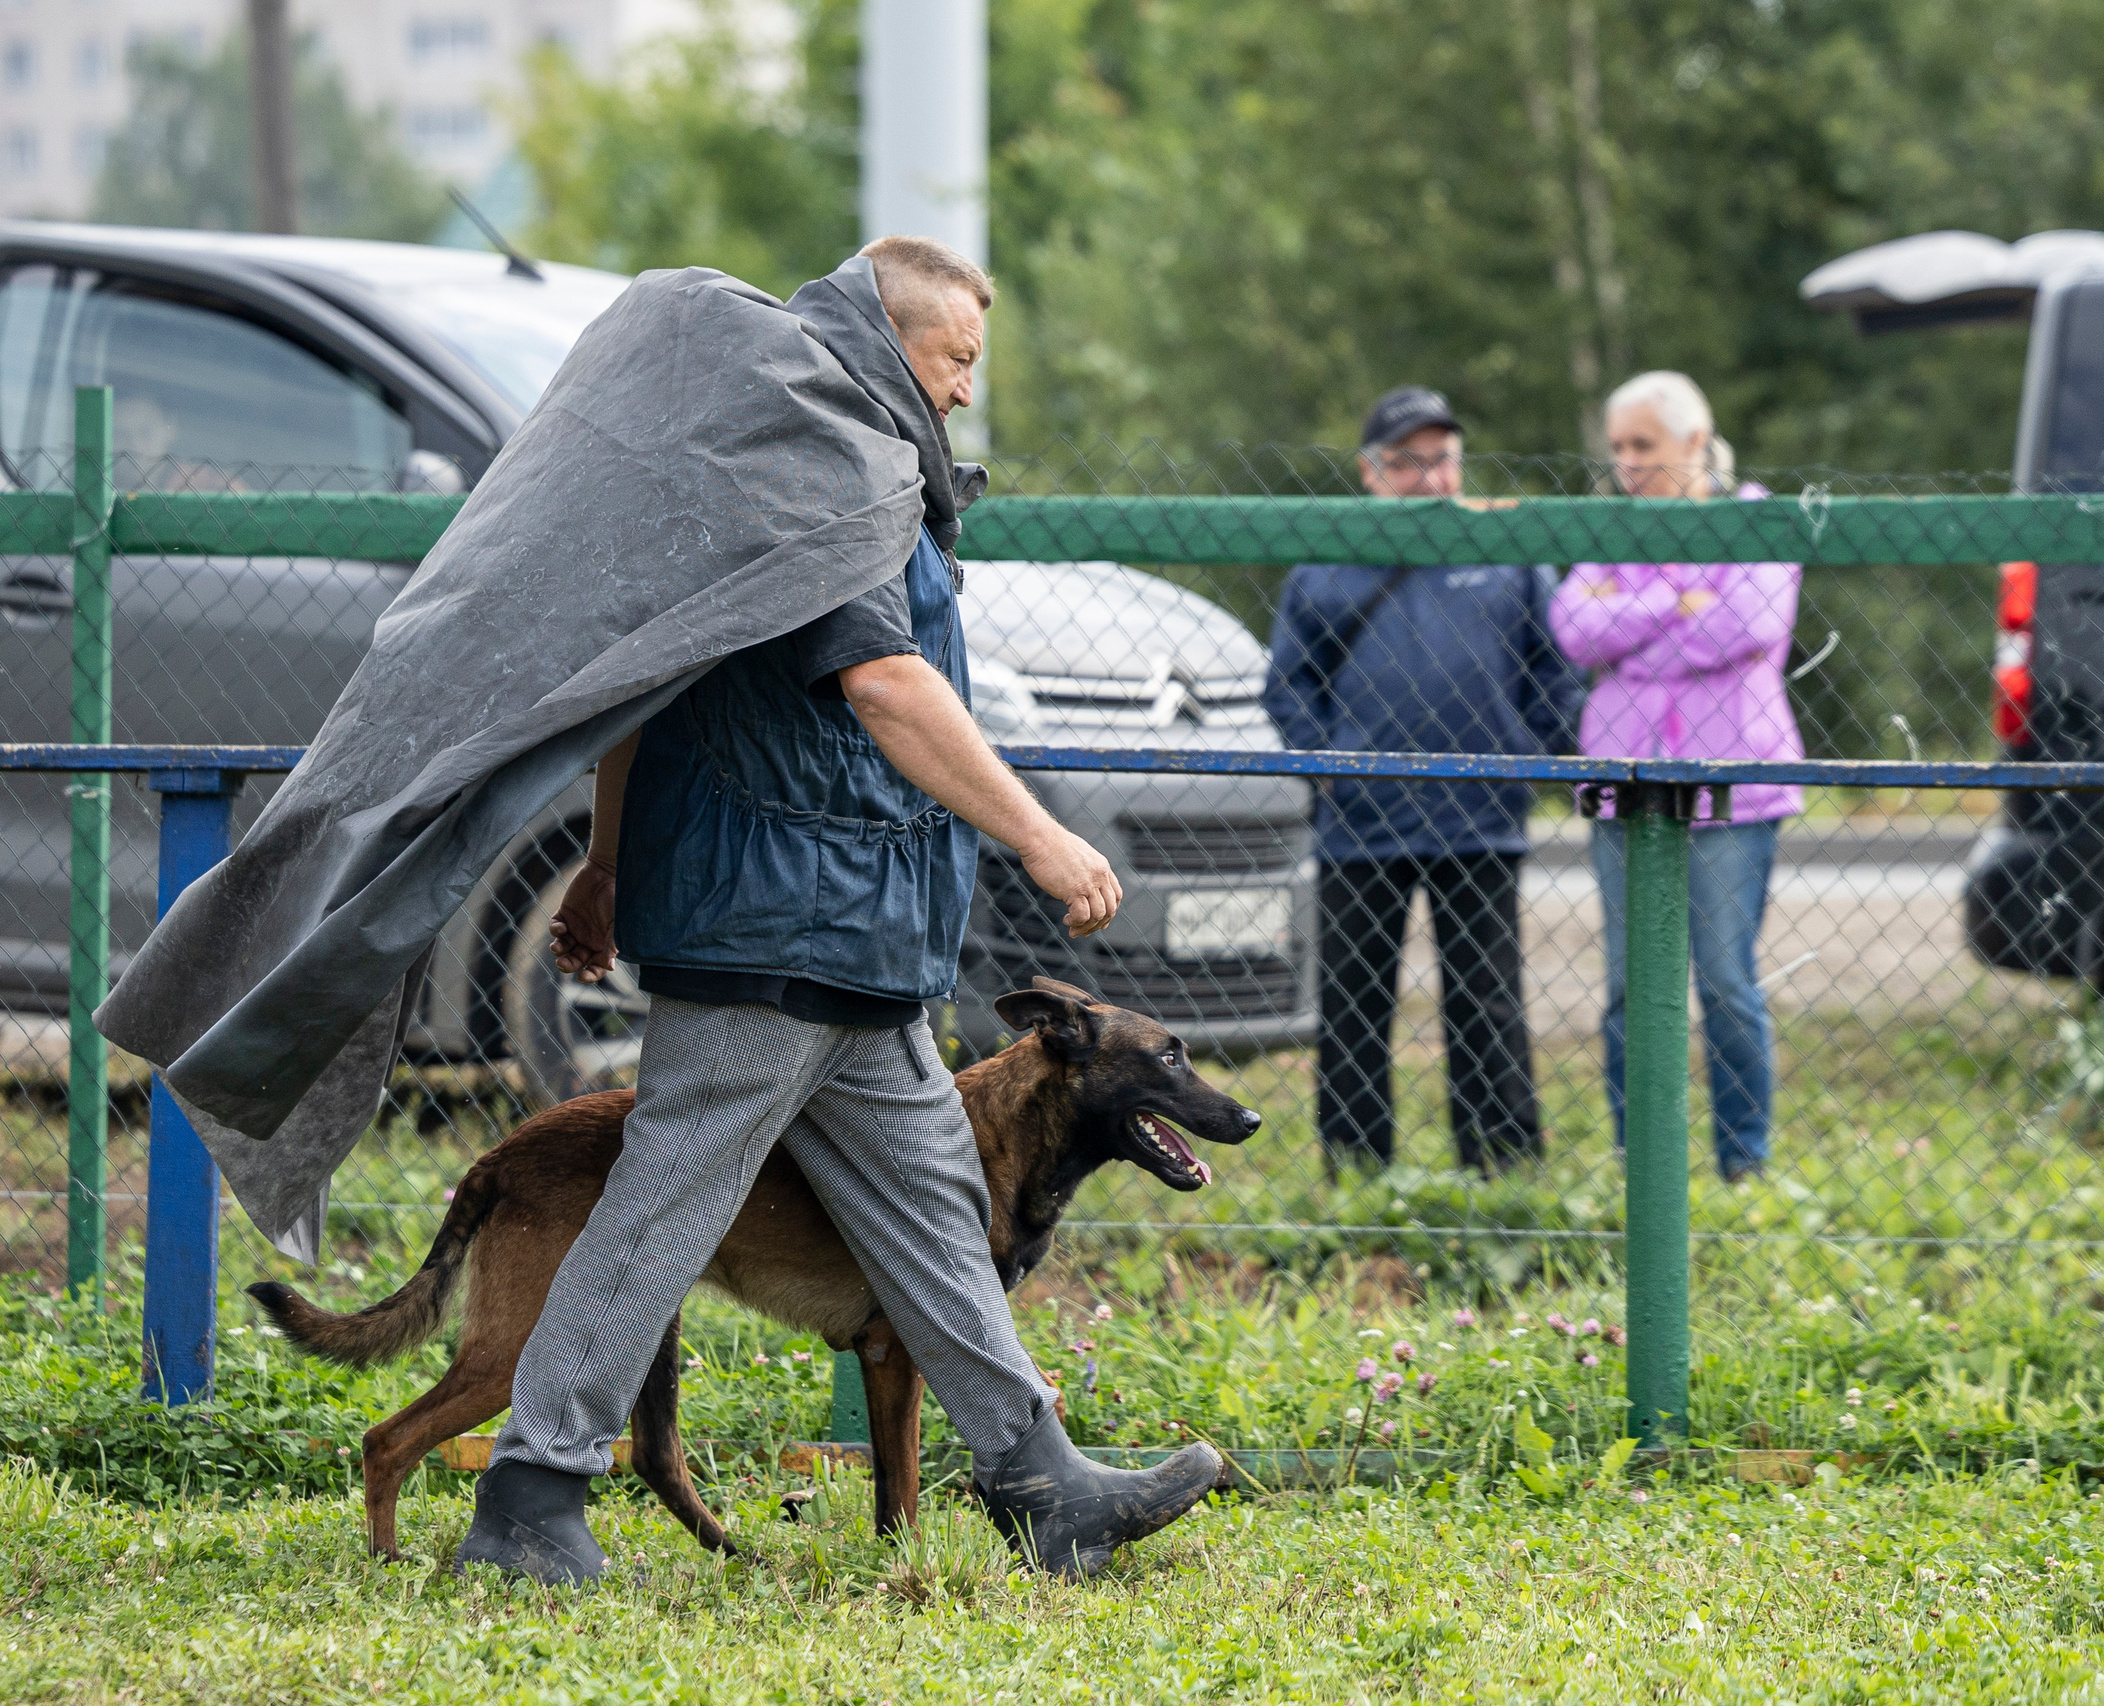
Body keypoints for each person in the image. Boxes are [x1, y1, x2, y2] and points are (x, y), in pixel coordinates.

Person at [465, 236, 1227, 1585]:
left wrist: (610, 860)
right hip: (774, 932)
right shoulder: (818, 467)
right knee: (660, 1211)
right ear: (887, 336)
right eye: (955, 359)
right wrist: (1041, 834)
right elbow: (882, 680)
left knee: (936, 1217)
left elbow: (656, 679)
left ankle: (1044, 1485)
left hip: (856, 941)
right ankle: (529, 1497)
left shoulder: (832, 455)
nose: (966, 389)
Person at [1263, 386, 1586, 1177]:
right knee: (1353, 1006)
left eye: (1443, 459)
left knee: (1487, 1003)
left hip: (1482, 819)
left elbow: (1556, 669)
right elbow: (1290, 685)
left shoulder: (1508, 550)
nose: (1431, 478)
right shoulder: (1325, 561)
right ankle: (1357, 1172)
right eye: (1409, 462)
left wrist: (1526, 755)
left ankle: (1503, 1169)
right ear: (1370, 472)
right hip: (1360, 826)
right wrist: (1330, 768)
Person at [1550, 370, 1804, 1184]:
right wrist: (1682, 601)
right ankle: (1643, 1162)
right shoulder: (1613, 527)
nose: (1627, 462)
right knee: (1629, 987)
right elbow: (1573, 628)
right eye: (1617, 447)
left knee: (1725, 981)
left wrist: (1633, 624)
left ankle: (1744, 1163)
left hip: (1735, 787)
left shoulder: (1756, 518)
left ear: (1696, 440)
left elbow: (1748, 623)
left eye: (1643, 445)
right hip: (1623, 787)